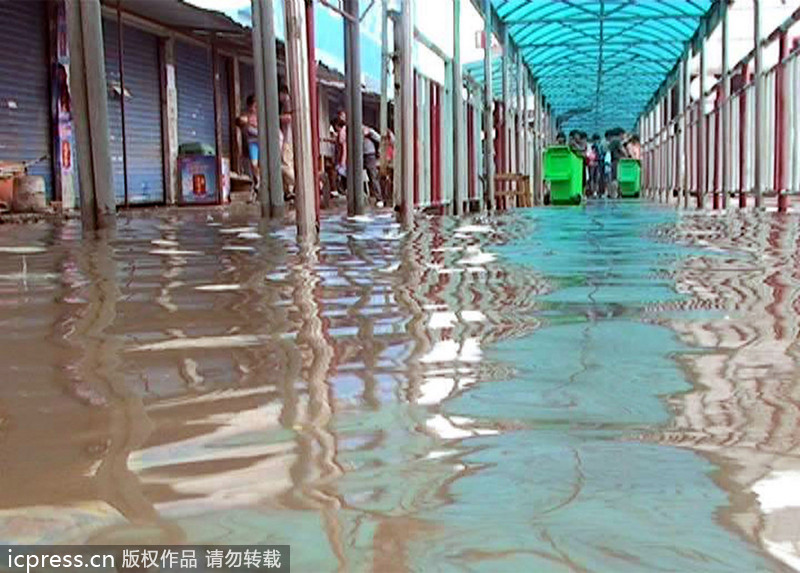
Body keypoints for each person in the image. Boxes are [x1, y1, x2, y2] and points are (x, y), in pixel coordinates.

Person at [236, 94, 260, 191]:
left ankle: (260, 181)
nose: (255, 108)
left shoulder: (260, 116)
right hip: (252, 143)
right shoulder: (247, 116)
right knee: (254, 163)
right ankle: (257, 180)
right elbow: (239, 121)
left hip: (261, 142)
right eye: (253, 106)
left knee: (261, 164)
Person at [278, 85, 295, 201]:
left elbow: (289, 118)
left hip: (288, 139)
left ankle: (297, 183)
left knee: (285, 165)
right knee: (288, 164)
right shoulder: (288, 103)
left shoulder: (288, 103)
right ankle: (289, 191)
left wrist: (276, 118)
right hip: (288, 138)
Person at [362, 125, 382, 202]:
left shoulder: (368, 131)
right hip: (361, 154)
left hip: (369, 154)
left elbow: (379, 138)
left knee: (373, 176)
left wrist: (370, 132)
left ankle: (378, 197)